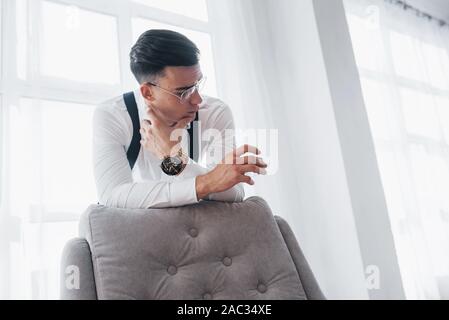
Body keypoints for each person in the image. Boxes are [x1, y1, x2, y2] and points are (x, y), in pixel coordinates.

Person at [92, 29, 267, 209]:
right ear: (148, 92)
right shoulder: (113, 116)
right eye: (184, 92)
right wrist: (206, 182)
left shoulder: (215, 112)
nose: (198, 99)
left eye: (198, 84)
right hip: (139, 227)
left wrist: (176, 161)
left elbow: (233, 191)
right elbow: (112, 196)